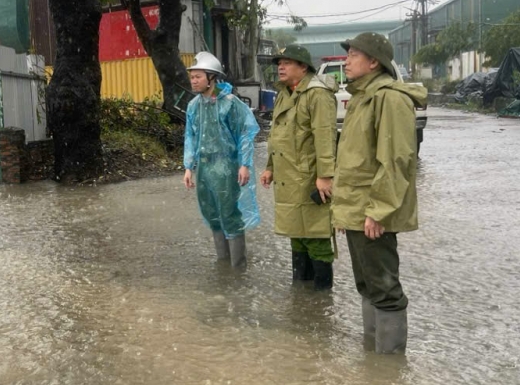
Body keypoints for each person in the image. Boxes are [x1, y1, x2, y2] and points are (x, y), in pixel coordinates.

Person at [331, 32, 427, 354]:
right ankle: (372, 359)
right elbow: (354, 162)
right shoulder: (361, 98)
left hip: (373, 212)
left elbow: (397, 160)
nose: (346, 60)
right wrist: (344, 211)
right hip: (358, 210)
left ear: (374, 62)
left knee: (385, 289)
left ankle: (389, 370)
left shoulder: (390, 99)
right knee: (368, 284)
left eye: (353, 54)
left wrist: (378, 210)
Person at [259, 45, 338, 290]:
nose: (280, 67)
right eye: (279, 63)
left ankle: (321, 301)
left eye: (287, 62)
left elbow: (325, 136)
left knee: (316, 234)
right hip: (288, 176)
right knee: (297, 233)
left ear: (303, 67)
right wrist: (270, 166)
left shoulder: (317, 94)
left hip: (309, 177)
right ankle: (302, 299)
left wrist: (325, 176)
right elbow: (278, 134)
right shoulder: (285, 92)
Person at [183, 51, 260, 267]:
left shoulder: (230, 103)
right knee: (212, 214)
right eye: (192, 76)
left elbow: (245, 133)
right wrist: (189, 167)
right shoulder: (193, 106)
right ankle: (223, 265)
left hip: (226, 165)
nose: (193, 81)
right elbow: (190, 136)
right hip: (204, 167)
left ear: (211, 77)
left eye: (198, 76)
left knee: (230, 214)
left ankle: (238, 268)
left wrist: (244, 164)